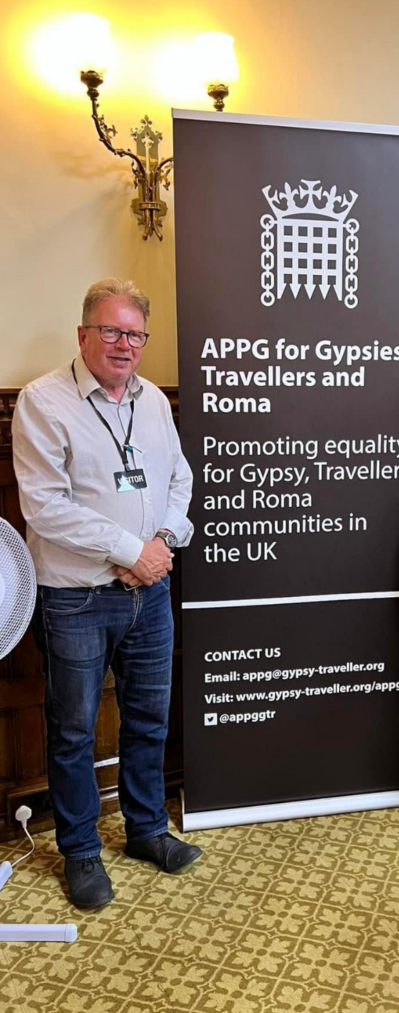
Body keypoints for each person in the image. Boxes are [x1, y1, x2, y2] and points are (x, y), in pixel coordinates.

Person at [13, 278, 201, 909]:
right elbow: (44, 508)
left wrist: (163, 542)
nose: (125, 345)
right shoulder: (44, 402)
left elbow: (179, 479)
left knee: (148, 721)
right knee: (72, 732)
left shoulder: (150, 401)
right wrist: (131, 552)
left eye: (136, 335)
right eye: (112, 331)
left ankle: (147, 830)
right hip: (76, 599)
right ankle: (82, 854)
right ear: (83, 335)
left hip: (150, 594)